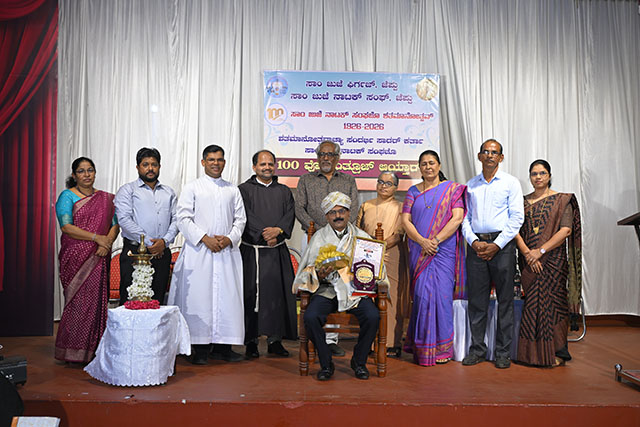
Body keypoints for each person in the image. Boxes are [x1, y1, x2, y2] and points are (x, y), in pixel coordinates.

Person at [293, 192, 387, 381]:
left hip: (354, 291)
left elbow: (377, 270)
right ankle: (326, 363)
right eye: (333, 212)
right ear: (327, 216)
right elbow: (307, 270)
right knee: (310, 317)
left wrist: (368, 278)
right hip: (327, 290)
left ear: (349, 213)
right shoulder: (319, 237)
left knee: (373, 316)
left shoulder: (362, 237)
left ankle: (359, 361)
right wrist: (319, 274)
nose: (338, 216)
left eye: (342, 211)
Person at [167, 145, 247, 365]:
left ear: (224, 162)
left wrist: (229, 238)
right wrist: (204, 238)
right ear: (203, 162)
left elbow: (240, 219)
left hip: (226, 253)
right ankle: (199, 348)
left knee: (227, 300)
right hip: (199, 252)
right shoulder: (192, 187)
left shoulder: (232, 190)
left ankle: (224, 347)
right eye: (211, 159)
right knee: (199, 299)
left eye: (219, 159)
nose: (215, 163)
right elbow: (183, 218)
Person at [461, 139, 524, 369]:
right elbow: (465, 219)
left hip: (503, 246)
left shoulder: (510, 183)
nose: (490, 155)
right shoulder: (471, 185)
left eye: (494, 152)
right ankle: (477, 350)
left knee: (505, 301)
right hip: (476, 247)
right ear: (479, 156)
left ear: (501, 157)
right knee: (477, 302)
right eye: (486, 152)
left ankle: (502, 353)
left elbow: (517, 217)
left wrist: (496, 245)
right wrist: (474, 241)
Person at [401, 151, 466, 366]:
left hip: (443, 250)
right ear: (419, 168)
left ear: (439, 165)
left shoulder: (452, 189)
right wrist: (422, 242)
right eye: (424, 164)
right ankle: (422, 347)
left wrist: (435, 241)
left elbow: (457, 218)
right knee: (422, 297)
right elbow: (406, 221)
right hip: (420, 250)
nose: (428, 167)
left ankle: (442, 349)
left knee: (442, 298)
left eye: (431, 163)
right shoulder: (413, 191)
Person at [295, 140, 360, 356]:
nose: (326, 158)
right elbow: (299, 208)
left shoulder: (348, 180)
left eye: (330, 154)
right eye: (322, 154)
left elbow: (354, 208)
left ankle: (331, 340)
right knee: (315, 282)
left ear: (337, 158)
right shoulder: (306, 180)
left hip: (343, 239)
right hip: (314, 238)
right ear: (317, 157)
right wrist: (317, 231)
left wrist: (337, 228)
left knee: (340, 283)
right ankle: (315, 333)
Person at [515, 159, 582, 367]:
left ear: (549, 176)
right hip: (528, 261)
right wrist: (528, 254)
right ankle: (530, 354)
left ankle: (558, 352)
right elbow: (513, 229)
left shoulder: (562, 200)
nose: (538, 177)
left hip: (553, 261)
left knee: (555, 304)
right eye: (534, 174)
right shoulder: (521, 202)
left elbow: (566, 230)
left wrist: (540, 251)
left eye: (542, 173)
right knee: (532, 304)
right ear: (530, 177)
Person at [54, 157, 119, 363]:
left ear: (95, 172)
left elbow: (115, 224)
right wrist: (96, 238)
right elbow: (66, 227)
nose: (86, 174)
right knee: (77, 303)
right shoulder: (67, 196)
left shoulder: (107, 199)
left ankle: (95, 349)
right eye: (81, 171)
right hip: (75, 257)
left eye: (90, 170)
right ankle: (71, 350)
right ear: (74, 175)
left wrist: (106, 243)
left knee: (96, 303)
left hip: (100, 254)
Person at [239, 150, 297, 358]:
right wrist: (265, 234)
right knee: (250, 295)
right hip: (252, 251)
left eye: (270, 164)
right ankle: (251, 342)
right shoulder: (243, 190)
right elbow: (244, 215)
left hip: (276, 252)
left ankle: (275, 341)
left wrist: (278, 231)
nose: (267, 167)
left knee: (277, 297)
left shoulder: (284, 191)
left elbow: (290, 214)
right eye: (262, 164)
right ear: (254, 166)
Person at [114, 147, 178, 305]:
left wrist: (164, 242)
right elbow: (124, 220)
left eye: (154, 164)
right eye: (145, 164)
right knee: (131, 302)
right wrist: (150, 243)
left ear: (159, 166)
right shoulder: (127, 190)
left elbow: (177, 220)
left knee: (157, 301)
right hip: (134, 253)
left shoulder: (169, 193)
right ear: (137, 167)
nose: (150, 168)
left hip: (162, 254)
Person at [355, 172, 410, 358]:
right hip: (368, 255)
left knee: (392, 295)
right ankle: (370, 343)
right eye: (380, 182)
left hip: (392, 254)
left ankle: (392, 343)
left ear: (395, 188)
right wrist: (370, 248)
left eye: (388, 183)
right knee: (369, 296)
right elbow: (358, 230)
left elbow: (399, 233)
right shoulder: (366, 205)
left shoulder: (401, 207)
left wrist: (380, 246)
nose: (383, 186)